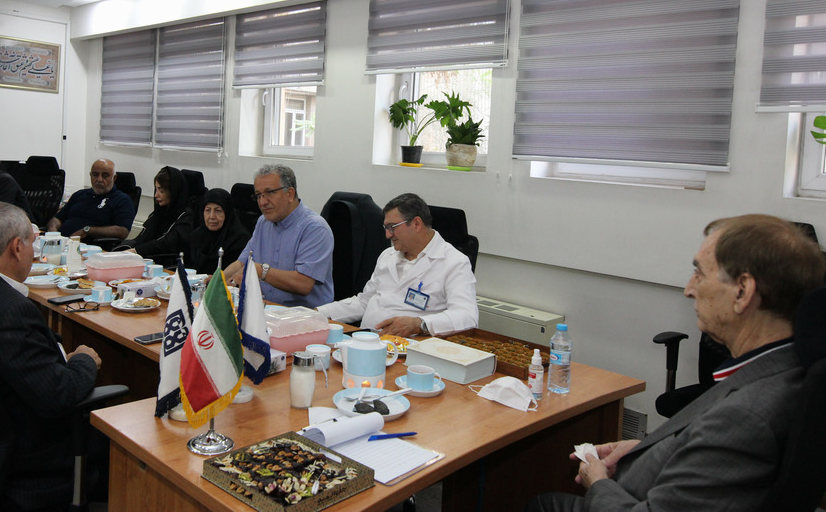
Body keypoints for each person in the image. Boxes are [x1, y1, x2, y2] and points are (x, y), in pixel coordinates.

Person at [526, 215, 826, 512]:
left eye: (699, 274)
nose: (689, 289)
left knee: (543, 504)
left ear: (742, 291)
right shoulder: (786, 368)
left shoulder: (744, 417)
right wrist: (646, 450)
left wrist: (598, 483)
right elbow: (711, 459)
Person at [0, 202, 103, 510]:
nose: (35, 250)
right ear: (16, 248)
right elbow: (58, 395)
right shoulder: (10, 311)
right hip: (31, 447)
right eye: (32, 242)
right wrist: (84, 359)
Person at [316, 193, 478, 337]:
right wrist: (318, 313)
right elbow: (364, 302)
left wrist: (419, 324)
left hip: (411, 347)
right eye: (385, 228)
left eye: (392, 227)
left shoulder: (454, 262)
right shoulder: (388, 256)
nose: (387, 235)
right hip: (366, 339)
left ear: (416, 224)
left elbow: (468, 316)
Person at [223, 165, 334, 308]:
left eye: (269, 193)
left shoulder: (315, 228)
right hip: (265, 309)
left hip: (303, 315)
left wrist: (260, 271)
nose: (262, 202)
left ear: (290, 194)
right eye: (258, 195)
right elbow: (242, 263)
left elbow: (303, 284)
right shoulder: (263, 222)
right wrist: (219, 280)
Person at [47, 158, 135, 243]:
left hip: (90, 247)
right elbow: (57, 218)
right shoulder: (79, 194)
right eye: (95, 174)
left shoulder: (122, 200)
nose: (99, 179)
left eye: (105, 175)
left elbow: (122, 231)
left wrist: (88, 230)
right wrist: (52, 231)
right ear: (90, 175)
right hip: (62, 242)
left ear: (114, 178)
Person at [125, 166, 193, 261]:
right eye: (156, 189)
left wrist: (137, 251)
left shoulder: (186, 216)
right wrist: (126, 249)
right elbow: (143, 237)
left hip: (166, 263)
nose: (156, 195)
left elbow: (167, 243)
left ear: (173, 191)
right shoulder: (159, 212)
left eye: (161, 191)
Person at [187, 188, 250, 275]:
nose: (212, 216)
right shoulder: (196, 236)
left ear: (227, 213)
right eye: (208, 210)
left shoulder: (239, 240)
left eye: (218, 211)